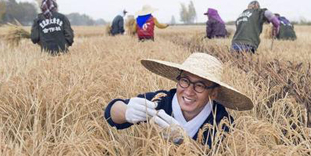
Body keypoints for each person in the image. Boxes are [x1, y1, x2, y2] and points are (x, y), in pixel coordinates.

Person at [104, 53, 253, 148]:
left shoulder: (222, 122)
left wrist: (184, 143)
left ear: (213, 93)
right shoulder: (161, 101)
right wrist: (126, 112)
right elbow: (111, 113)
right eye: (184, 81)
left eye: (200, 85)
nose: (188, 91)